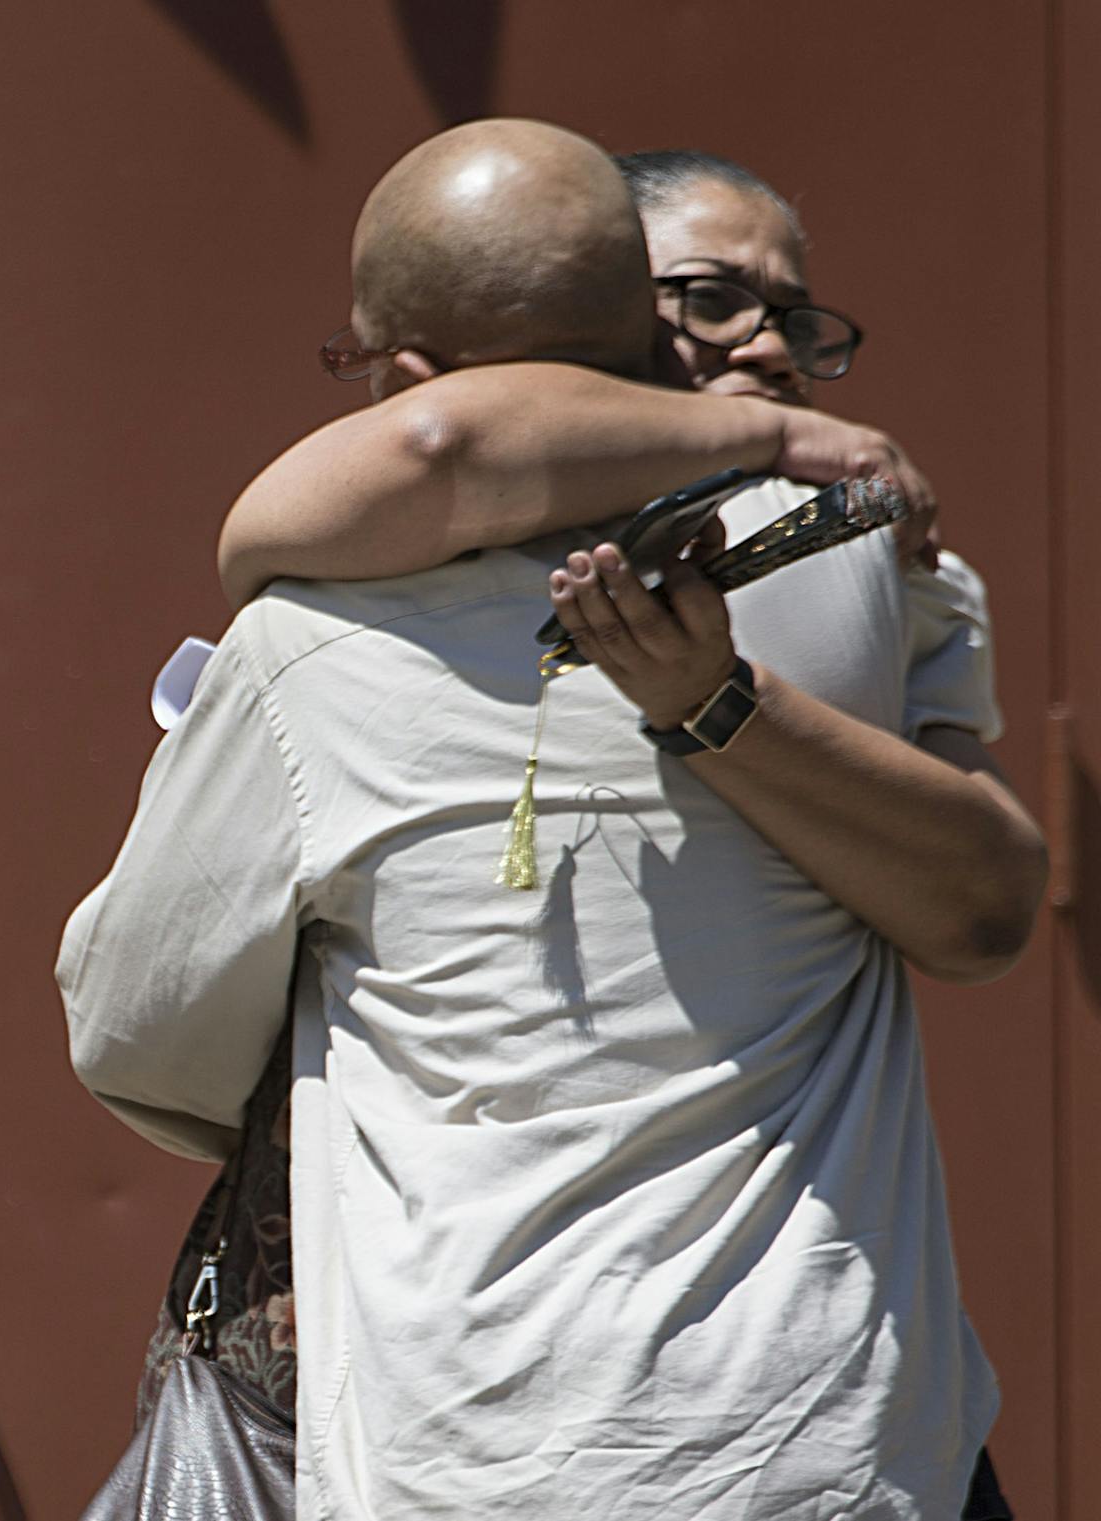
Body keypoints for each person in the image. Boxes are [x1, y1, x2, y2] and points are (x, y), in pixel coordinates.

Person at [59, 120, 1047, 1519]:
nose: (763, 349)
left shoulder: (309, 650)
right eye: (712, 301)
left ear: (404, 362)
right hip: (840, 1441)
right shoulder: (866, 565)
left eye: (793, 321)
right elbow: (993, 901)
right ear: (633, 327)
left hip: (474, 1446)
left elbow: (132, 1030)